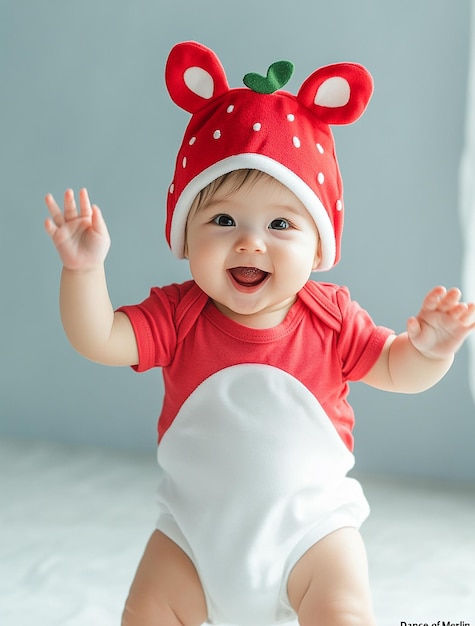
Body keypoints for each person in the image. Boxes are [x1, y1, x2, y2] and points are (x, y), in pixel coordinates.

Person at [44, 42, 475, 626]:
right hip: (193, 536)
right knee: (144, 614)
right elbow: (97, 337)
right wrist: (83, 271)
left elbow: (398, 369)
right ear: (185, 234)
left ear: (319, 244)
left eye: (280, 224)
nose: (250, 242)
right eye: (222, 219)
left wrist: (430, 349)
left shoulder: (330, 318)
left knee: (343, 611)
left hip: (312, 531)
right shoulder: (178, 316)